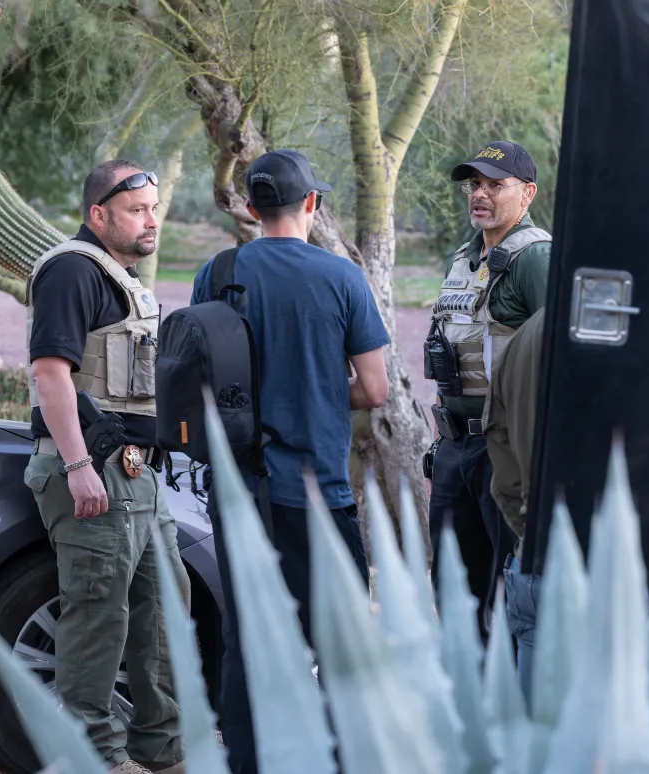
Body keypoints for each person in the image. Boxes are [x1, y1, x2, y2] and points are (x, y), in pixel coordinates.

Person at [190, 148, 391, 774]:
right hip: (317, 491)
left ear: (251, 209)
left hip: (239, 489)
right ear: (311, 204)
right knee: (339, 635)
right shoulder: (342, 278)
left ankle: (247, 761)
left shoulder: (216, 272)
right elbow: (376, 389)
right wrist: (324, 391)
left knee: (248, 631)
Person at [23, 159, 190, 774]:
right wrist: (76, 465)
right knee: (99, 615)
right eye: (135, 211)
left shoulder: (122, 277)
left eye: (154, 210)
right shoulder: (72, 270)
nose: (150, 222)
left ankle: (162, 750)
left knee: (166, 604)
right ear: (99, 215)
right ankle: (95, 757)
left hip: (136, 472)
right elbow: (50, 373)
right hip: (91, 471)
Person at [424, 140, 552, 642]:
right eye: (474, 185)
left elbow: (557, 357)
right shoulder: (466, 257)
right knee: (455, 594)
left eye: (494, 186)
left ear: (527, 194)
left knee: (507, 596)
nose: (479, 194)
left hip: (504, 453)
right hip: (456, 448)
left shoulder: (534, 258)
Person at [483, 305, 545, 699]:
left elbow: (502, 465)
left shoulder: (527, 334)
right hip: (616, 578)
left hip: (534, 563)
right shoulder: (635, 324)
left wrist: (530, 533)